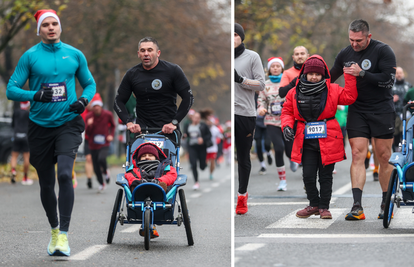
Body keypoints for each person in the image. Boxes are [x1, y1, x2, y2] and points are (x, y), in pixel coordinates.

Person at [6, 9, 96, 256]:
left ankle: (64, 236)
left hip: (68, 122)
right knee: (46, 183)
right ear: (40, 30)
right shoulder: (30, 56)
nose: (51, 28)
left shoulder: (75, 54)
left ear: (60, 26)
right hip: (39, 127)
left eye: (54, 23)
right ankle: (54, 230)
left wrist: (84, 100)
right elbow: (11, 90)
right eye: (45, 25)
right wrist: (33, 94)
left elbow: (89, 83)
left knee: (65, 176)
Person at [330, 19, 396, 220]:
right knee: (358, 154)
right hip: (357, 110)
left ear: (368, 36)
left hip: (381, 109)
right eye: (351, 39)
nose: (354, 44)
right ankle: (357, 206)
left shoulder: (383, 51)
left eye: (358, 40)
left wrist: (362, 73)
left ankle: (386, 202)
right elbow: (330, 77)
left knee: (383, 156)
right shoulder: (345, 53)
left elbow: (388, 80)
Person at [281, 55, 357, 219]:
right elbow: (287, 111)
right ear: (305, 74)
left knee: (325, 176)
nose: (314, 77)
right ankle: (313, 204)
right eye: (311, 74)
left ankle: (324, 207)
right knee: (308, 175)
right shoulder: (294, 92)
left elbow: (350, 97)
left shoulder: (334, 89)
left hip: (328, 138)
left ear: (323, 75)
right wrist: (286, 126)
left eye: (318, 74)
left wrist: (349, 75)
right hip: (305, 140)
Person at [113, 36, 194, 137]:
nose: (146, 53)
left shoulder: (173, 70)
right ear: (138, 54)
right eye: (142, 51)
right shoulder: (132, 74)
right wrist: (128, 122)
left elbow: (188, 98)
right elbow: (118, 101)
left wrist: (174, 122)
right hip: (142, 131)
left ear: (158, 53)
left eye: (150, 50)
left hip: (168, 131)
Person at [234, 23, 265, 215]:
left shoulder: (252, 57)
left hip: (245, 113)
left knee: (243, 156)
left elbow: (261, 85)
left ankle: (242, 196)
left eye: (235, 34)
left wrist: (241, 80)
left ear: (241, 37)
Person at [125, 142, 177, 239]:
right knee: (133, 183)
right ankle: (149, 223)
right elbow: (129, 176)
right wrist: (136, 181)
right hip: (139, 192)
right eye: (143, 155)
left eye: (150, 155)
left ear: (156, 158)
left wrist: (159, 181)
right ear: (139, 158)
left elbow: (171, 175)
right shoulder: (134, 169)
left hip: (160, 193)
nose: (147, 157)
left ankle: (150, 222)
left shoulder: (164, 167)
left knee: (164, 184)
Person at [257, 57, 293, 191]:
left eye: (278, 66)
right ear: (269, 69)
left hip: (287, 120)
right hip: (271, 121)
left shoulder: (287, 82)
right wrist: (261, 109)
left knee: (290, 151)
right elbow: (261, 101)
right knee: (278, 148)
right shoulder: (264, 85)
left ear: (282, 68)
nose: (276, 68)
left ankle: (292, 159)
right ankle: (282, 181)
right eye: (273, 66)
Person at [85, 93, 115, 193]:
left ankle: (106, 171)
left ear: (101, 106)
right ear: (92, 107)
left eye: (98, 105)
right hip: (93, 144)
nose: (96, 108)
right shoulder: (89, 116)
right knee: (96, 166)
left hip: (104, 143)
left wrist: (111, 135)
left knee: (101, 158)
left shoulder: (107, 114)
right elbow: (87, 133)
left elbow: (113, 126)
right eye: (94, 106)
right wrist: (89, 125)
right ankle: (101, 183)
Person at [183, 112, 212, 190]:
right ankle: (196, 182)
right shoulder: (188, 125)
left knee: (202, 166)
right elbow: (185, 134)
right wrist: (184, 136)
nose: (196, 119)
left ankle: (204, 164)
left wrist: (203, 139)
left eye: (198, 118)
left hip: (202, 147)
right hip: (192, 147)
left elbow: (209, 135)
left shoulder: (203, 125)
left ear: (200, 119)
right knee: (193, 164)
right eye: (194, 117)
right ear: (192, 118)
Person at [10, 101, 32, 185]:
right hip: (25, 137)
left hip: (16, 136)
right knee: (26, 157)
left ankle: (13, 170)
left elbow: (12, 124)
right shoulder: (28, 113)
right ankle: (25, 177)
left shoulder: (15, 112)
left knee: (14, 156)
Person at [392, 67, 412, 152]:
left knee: (405, 133)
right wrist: (391, 99)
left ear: (403, 74)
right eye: (397, 73)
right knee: (395, 134)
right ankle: (396, 151)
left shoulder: (409, 86)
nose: (399, 75)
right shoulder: (391, 86)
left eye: (400, 73)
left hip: (406, 114)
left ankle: (406, 151)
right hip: (394, 114)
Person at [254, 93, 273, 175]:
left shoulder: (267, 94)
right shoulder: (251, 96)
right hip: (256, 124)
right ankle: (262, 166)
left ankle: (268, 153)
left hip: (267, 122)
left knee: (267, 144)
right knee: (258, 145)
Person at [205, 116, 224, 180]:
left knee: (212, 162)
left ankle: (211, 174)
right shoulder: (204, 128)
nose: (208, 123)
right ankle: (206, 166)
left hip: (213, 148)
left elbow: (221, 136)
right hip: (205, 148)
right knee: (205, 162)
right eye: (208, 122)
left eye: (210, 122)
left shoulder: (215, 129)